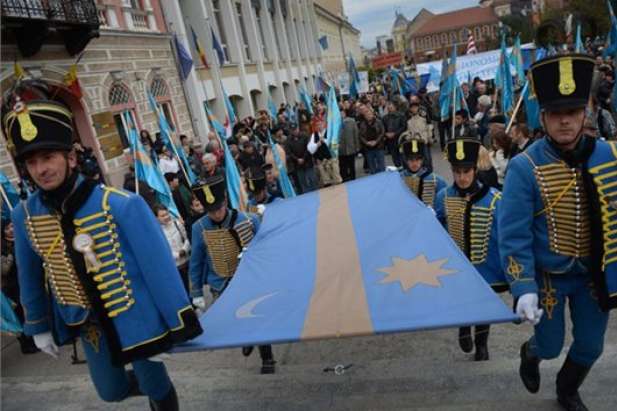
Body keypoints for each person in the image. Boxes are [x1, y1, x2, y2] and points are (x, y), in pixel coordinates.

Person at [3, 80, 201, 409]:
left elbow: (158, 269)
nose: (41, 169)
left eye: (48, 157)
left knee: (155, 385)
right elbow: (30, 276)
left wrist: (177, 321)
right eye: (32, 162)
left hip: (136, 313)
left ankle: (160, 394)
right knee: (110, 391)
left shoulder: (121, 204)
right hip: (87, 322)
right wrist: (36, 325)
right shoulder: (25, 216)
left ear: (71, 157)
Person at [499, 54, 617, 411]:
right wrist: (522, 287)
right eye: (555, 113)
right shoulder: (524, 167)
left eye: (573, 111)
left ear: (586, 112)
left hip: (593, 274)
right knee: (550, 346)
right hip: (548, 276)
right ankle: (531, 353)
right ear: (543, 117)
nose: (565, 120)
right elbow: (514, 234)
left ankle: (567, 389)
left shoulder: (608, 155)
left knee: (591, 346)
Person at [189, 176, 276, 374]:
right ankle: (247, 338)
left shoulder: (249, 220)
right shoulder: (199, 228)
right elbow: (196, 262)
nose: (216, 214)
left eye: (219, 208)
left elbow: (266, 251)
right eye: (211, 211)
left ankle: (267, 358)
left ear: (225, 202)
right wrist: (196, 293)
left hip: (248, 280)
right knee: (236, 318)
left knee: (257, 316)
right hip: (220, 283)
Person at [435, 138, 507, 362]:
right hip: (456, 266)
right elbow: (436, 229)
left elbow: (505, 235)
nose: (462, 177)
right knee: (463, 300)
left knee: (485, 305)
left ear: (475, 170)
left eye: (466, 171)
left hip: (486, 267)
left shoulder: (495, 199)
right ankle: (464, 327)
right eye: (457, 172)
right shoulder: (443, 197)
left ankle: (482, 343)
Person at [1, 217, 39, 354]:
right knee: (21, 315)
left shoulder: (21, 239)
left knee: (31, 310)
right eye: (7, 228)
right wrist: (11, 255)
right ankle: (26, 344)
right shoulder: (3, 247)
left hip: (26, 281)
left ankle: (37, 339)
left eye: (12, 226)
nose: (11, 230)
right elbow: (3, 270)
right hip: (12, 287)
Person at [153, 204, 191, 296]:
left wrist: (184, 250)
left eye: (167, 214)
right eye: (162, 216)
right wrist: (177, 255)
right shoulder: (157, 232)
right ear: (156, 218)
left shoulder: (177, 224)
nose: (166, 217)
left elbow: (187, 238)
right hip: (174, 267)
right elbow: (162, 250)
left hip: (187, 261)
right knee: (183, 290)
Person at [398, 140, 446, 208]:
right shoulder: (398, 178)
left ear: (422, 160)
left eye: (418, 159)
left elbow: (443, 202)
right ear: (406, 160)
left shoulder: (436, 180)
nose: (414, 163)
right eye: (411, 160)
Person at [309, 117, 342, 187]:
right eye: (317, 125)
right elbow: (310, 148)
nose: (319, 126)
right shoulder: (314, 135)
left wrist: (325, 141)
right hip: (321, 160)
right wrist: (316, 145)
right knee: (326, 182)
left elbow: (335, 143)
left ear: (324, 124)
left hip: (331, 159)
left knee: (337, 179)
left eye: (320, 124)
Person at [286, 123, 318, 193]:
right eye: (292, 130)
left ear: (298, 129)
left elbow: (309, 147)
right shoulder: (288, 140)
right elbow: (289, 152)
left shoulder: (305, 135)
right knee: (302, 182)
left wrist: (303, 158)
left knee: (312, 179)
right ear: (290, 131)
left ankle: (316, 192)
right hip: (297, 164)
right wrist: (297, 159)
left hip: (307, 161)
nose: (294, 131)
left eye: (295, 129)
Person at [405, 101, 434, 169]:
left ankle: (430, 172)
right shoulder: (409, 121)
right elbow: (408, 132)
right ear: (410, 109)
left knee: (427, 159)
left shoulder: (424, 119)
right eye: (412, 107)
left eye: (415, 107)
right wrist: (408, 137)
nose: (414, 109)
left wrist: (430, 138)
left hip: (424, 142)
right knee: (418, 160)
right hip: (414, 143)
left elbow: (429, 128)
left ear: (418, 108)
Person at [358, 110, 386, 174]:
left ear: (373, 115)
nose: (368, 116)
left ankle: (383, 177)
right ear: (364, 116)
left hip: (379, 146)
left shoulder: (378, 122)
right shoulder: (362, 124)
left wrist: (376, 141)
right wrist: (366, 142)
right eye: (366, 115)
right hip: (368, 148)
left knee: (381, 166)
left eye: (370, 114)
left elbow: (382, 132)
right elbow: (360, 135)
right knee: (372, 167)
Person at [382, 101, 406, 168]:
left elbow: (403, 127)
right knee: (394, 157)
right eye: (388, 107)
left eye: (391, 107)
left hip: (400, 139)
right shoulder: (385, 118)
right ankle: (398, 169)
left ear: (395, 107)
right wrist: (386, 134)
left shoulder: (401, 116)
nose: (389, 108)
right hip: (390, 141)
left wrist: (395, 133)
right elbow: (383, 128)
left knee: (402, 156)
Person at [338, 109, 360, 182]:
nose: (341, 115)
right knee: (342, 167)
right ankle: (345, 180)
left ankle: (353, 179)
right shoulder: (336, 123)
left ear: (345, 113)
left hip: (350, 147)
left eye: (342, 113)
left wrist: (357, 146)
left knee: (351, 165)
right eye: (339, 113)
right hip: (341, 149)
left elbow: (355, 134)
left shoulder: (351, 121)